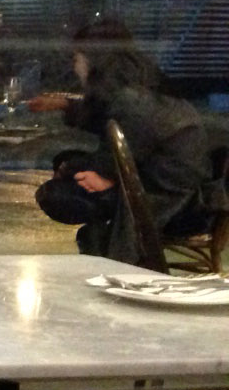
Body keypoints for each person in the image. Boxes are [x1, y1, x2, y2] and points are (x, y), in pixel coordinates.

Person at [32, 17, 225, 262]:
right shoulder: (138, 85)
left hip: (171, 201)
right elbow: (106, 121)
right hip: (169, 182)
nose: (75, 66)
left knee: (57, 194)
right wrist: (64, 105)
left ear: (93, 60)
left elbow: (120, 148)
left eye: (77, 58)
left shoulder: (132, 100)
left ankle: (106, 250)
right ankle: (101, 231)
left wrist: (93, 174)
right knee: (67, 163)